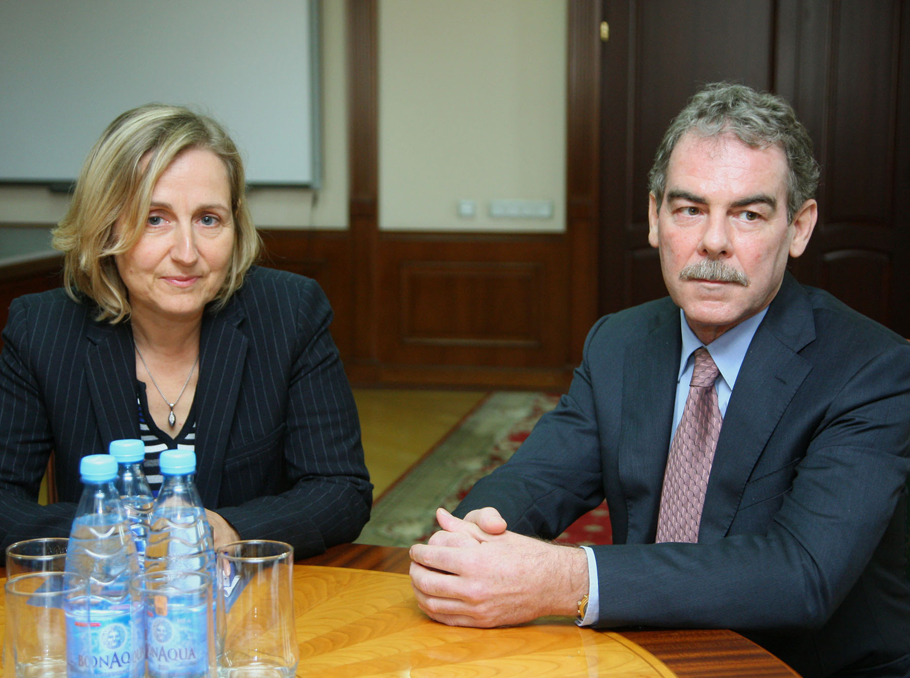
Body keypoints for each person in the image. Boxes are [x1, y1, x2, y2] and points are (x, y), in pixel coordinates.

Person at [409, 83, 910, 678]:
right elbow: (536, 480)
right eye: (690, 210)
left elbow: (801, 575)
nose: (714, 242)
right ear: (654, 218)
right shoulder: (620, 342)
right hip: (641, 657)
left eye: (748, 215)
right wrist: (473, 540)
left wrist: (571, 579)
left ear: (798, 228)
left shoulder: (872, 368)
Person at [0, 104, 372, 558]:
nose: (187, 253)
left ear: (235, 225)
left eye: (208, 219)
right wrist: (113, 532)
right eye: (154, 218)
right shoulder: (42, 329)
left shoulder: (289, 312)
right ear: (105, 226)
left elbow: (340, 489)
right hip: (110, 595)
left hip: (245, 593)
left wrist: (229, 529)